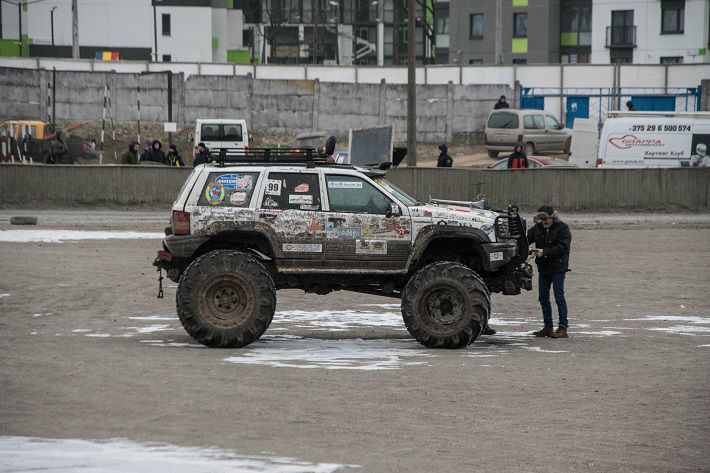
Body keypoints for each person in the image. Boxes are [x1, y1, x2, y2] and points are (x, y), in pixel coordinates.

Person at [527, 205, 572, 338]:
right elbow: (526, 239)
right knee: (543, 298)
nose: (544, 221)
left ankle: (563, 328)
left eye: (546, 218)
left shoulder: (563, 228)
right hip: (544, 269)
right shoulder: (538, 228)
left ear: (552, 218)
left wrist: (543, 252)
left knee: (559, 297)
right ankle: (548, 327)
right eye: (541, 219)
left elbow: (563, 247)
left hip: (558, 269)